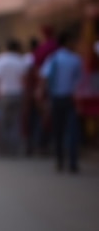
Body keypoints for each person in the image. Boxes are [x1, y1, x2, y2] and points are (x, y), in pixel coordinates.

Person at [40, 31, 83, 172]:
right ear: (67, 42)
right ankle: (72, 162)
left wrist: (44, 95)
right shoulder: (75, 59)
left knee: (59, 130)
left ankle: (60, 161)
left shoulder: (54, 58)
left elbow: (45, 77)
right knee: (71, 130)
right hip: (71, 98)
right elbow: (80, 80)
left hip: (57, 98)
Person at [0, 38, 29, 156]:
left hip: (4, 94)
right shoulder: (20, 60)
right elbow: (24, 79)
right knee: (15, 122)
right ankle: (14, 149)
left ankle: (4, 149)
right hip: (17, 94)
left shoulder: (0, 60)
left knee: (3, 122)